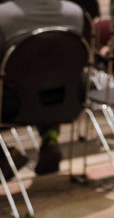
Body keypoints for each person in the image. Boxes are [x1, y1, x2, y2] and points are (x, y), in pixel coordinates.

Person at [0, 0, 85, 176]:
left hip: (13, 107)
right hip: (65, 100)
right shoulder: (75, 12)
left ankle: (4, 157)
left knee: (30, 77)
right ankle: (50, 139)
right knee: (49, 72)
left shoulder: (3, 15)